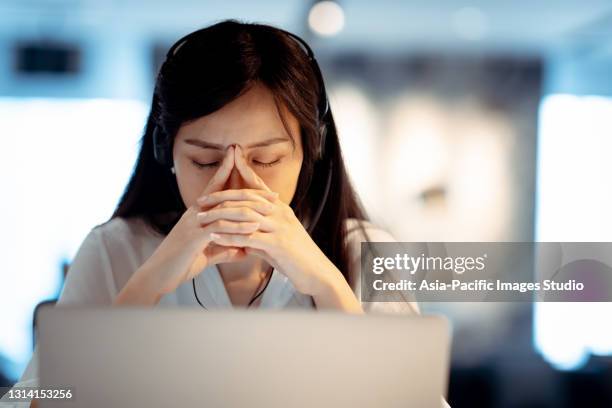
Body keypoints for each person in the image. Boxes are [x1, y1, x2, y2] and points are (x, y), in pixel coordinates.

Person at [1, 20, 449, 407]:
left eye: (267, 160)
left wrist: (325, 282)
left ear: (309, 155)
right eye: (205, 161)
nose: (235, 186)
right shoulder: (115, 248)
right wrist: (150, 281)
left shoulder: (367, 253)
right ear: (167, 152)